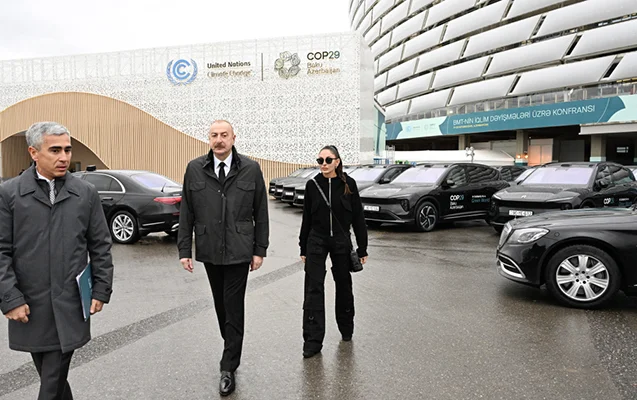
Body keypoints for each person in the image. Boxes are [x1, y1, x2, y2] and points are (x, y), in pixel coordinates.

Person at [0, 122, 114, 400]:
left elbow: (100, 244)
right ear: (33, 152)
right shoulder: (10, 194)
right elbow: (1, 250)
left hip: (70, 301)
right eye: (55, 150)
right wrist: (10, 298)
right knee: (53, 376)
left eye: (67, 149)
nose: (64, 157)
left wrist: (101, 289)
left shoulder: (84, 193)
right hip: (31, 304)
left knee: (52, 377)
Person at [178, 120, 269, 396]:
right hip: (209, 248)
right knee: (221, 306)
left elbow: (261, 211)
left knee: (233, 305)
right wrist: (184, 250)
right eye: (214, 135)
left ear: (233, 138)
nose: (219, 140)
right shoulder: (195, 169)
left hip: (240, 250)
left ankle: (228, 366)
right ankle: (231, 344)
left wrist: (259, 249)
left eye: (224, 135)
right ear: (209, 139)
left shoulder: (250, 169)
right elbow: (187, 212)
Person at [299, 145, 368, 358]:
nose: (324, 165)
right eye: (320, 160)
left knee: (344, 285)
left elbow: (358, 217)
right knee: (313, 289)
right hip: (316, 241)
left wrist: (362, 247)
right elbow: (307, 218)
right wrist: (303, 246)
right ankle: (312, 341)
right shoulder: (312, 185)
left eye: (328, 160)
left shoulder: (349, 184)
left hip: (341, 241)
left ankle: (346, 327)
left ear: (337, 161)